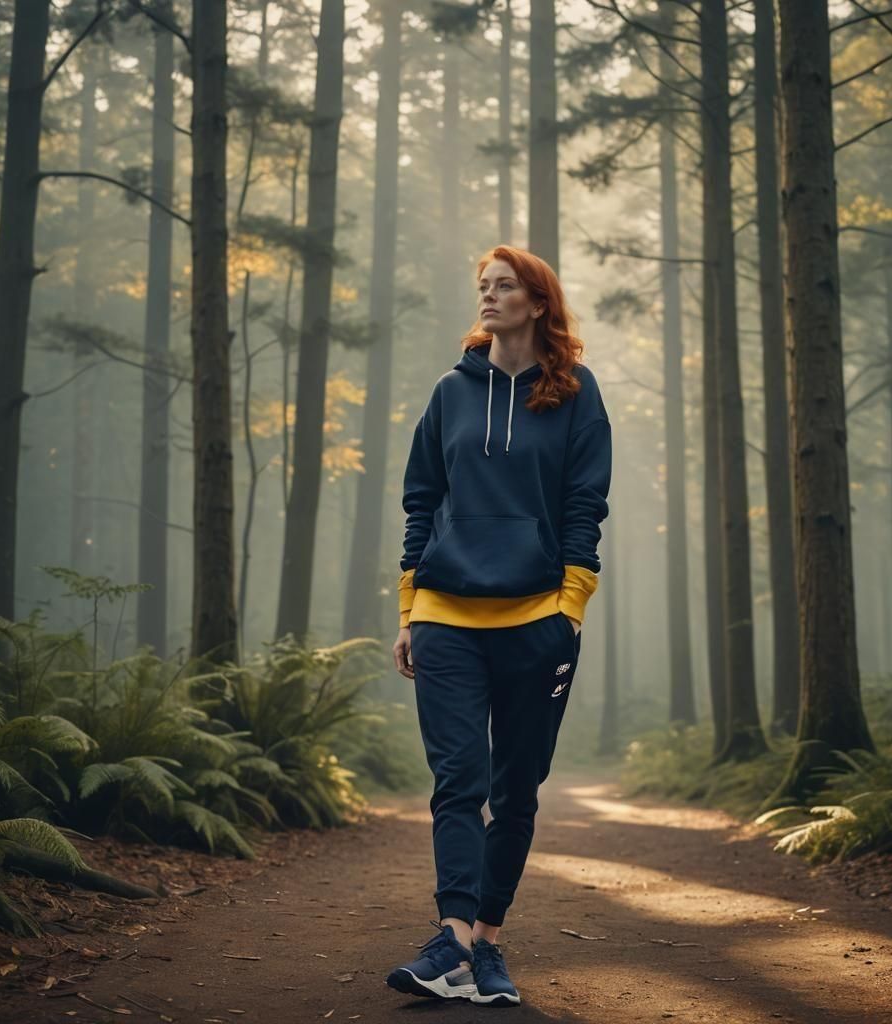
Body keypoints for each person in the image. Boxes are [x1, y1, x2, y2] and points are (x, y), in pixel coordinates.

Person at [385, 245, 611, 1008]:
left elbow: (586, 507)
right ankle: (450, 937)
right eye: (482, 286)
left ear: (538, 302)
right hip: (447, 616)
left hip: (536, 620)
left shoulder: (577, 394)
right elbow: (421, 500)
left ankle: (486, 942)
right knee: (459, 782)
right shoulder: (451, 391)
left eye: (504, 286)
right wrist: (410, 608)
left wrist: (570, 606)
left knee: (516, 791)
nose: (488, 297)